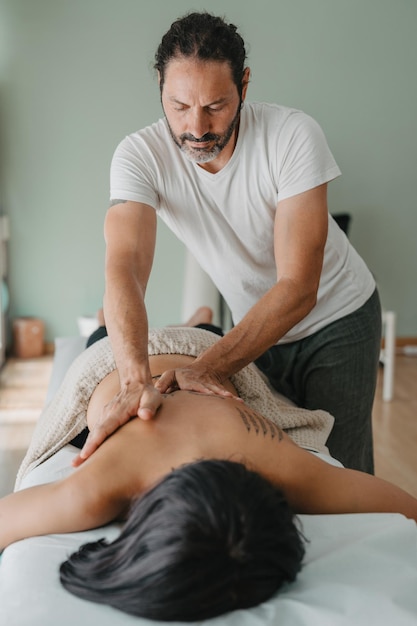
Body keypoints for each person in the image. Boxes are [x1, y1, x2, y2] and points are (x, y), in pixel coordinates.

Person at [83, 11, 381, 474]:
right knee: (278, 460)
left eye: (216, 105)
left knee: (341, 465)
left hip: (338, 320)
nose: (197, 127)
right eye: (179, 106)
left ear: (244, 84)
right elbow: (124, 266)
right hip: (257, 329)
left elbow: (299, 286)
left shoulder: (293, 137)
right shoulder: (139, 156)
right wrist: (134, 380)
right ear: (159, 86)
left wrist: (210, 364)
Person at [1, 338, 417, 621]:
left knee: (170, 328)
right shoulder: (291, 470)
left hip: (190, 351)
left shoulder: (286, 470)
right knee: (106, 331)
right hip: (132, 361)